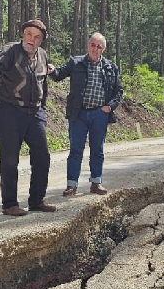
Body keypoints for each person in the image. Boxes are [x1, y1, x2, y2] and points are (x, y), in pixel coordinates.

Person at [0, 19, 56, 216]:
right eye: (29, 34)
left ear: (41, 41)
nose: (31, 39)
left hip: (35, 113)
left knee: (42, 157)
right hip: (10, 110)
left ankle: (36, 200)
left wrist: (43, 108)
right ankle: (10, 204)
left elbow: (44, 85)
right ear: (24, 34)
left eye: (36, 37)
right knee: (9, 159)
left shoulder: (42, 56)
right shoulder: (12, 51)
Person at [49, 32, 124, 196]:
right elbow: (58, 75)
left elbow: (119, 91)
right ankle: (72, 185)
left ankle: (96, 183)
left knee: (97, 150)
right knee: (76, 150)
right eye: (93, 45)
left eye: (99, 46)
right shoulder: (75, 63)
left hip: (100, 115)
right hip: (79, 114)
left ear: (103, 49)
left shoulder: (111, 67)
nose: (95, 49)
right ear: (88, 45)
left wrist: (110, 107)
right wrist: (51, 69)